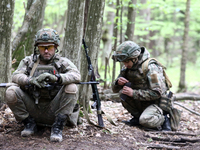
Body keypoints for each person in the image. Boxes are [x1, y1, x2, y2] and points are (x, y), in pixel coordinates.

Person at [5, 28, 81, 142]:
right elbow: (15, 76)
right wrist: (30, 80)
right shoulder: (29, 61)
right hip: (33, 107)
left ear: (55, 47)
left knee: (72, 87)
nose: (46, 51)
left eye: (49, 47)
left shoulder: (62, 62)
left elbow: (76, 75)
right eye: (42, 47)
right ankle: (29, 124)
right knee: (10, 91)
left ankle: (58, 127)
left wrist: (58, 78)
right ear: (37, 48)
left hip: (55, 109)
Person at [112, 41, 172, 131]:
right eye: (123, 62)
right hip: (141, 102)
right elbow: (114, 90)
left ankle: (164, 119)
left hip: (155, 104)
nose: (125, 64)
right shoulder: (127, 68)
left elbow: (157, 93)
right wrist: (117, 83)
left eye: (127, 61)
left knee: (145, 121)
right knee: (122, 93)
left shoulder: (150, 67)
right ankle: (137, 117)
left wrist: (133, 93)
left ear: (134, 58)